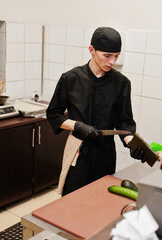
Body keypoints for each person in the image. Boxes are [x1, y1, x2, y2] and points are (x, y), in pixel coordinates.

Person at [46, 27, 146, 196]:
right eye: (107, 55)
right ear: (91, 50)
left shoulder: (121, 83)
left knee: (99, 200)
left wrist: (133, 145)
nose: (112, 61)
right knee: (73, 200)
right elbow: (53, 114)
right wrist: (77, 126)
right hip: (78, 152)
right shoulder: (70, 78)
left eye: (116, 56)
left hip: (105, 154)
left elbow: (124, 122)